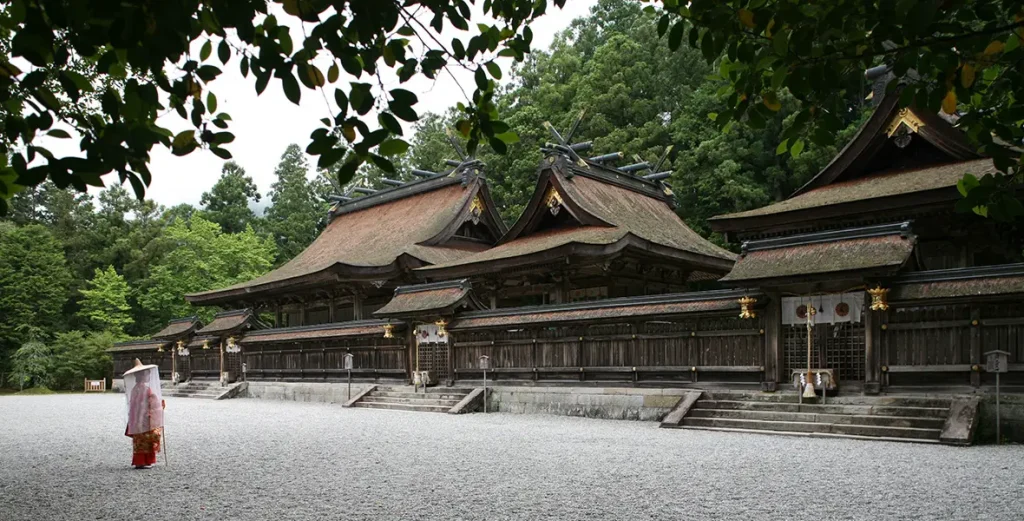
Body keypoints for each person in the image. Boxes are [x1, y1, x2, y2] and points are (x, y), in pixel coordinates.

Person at [123, 359, 165, 469]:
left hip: (137, 419)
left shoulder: (135, 389)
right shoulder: (145, 389)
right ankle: (146, 461)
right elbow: (152, 404)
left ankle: (140, 461)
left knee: (139, 441)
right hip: (145, 419)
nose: (148, 376)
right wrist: (161, 406)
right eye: (146, 374)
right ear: (142, 376)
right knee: (147, 439)